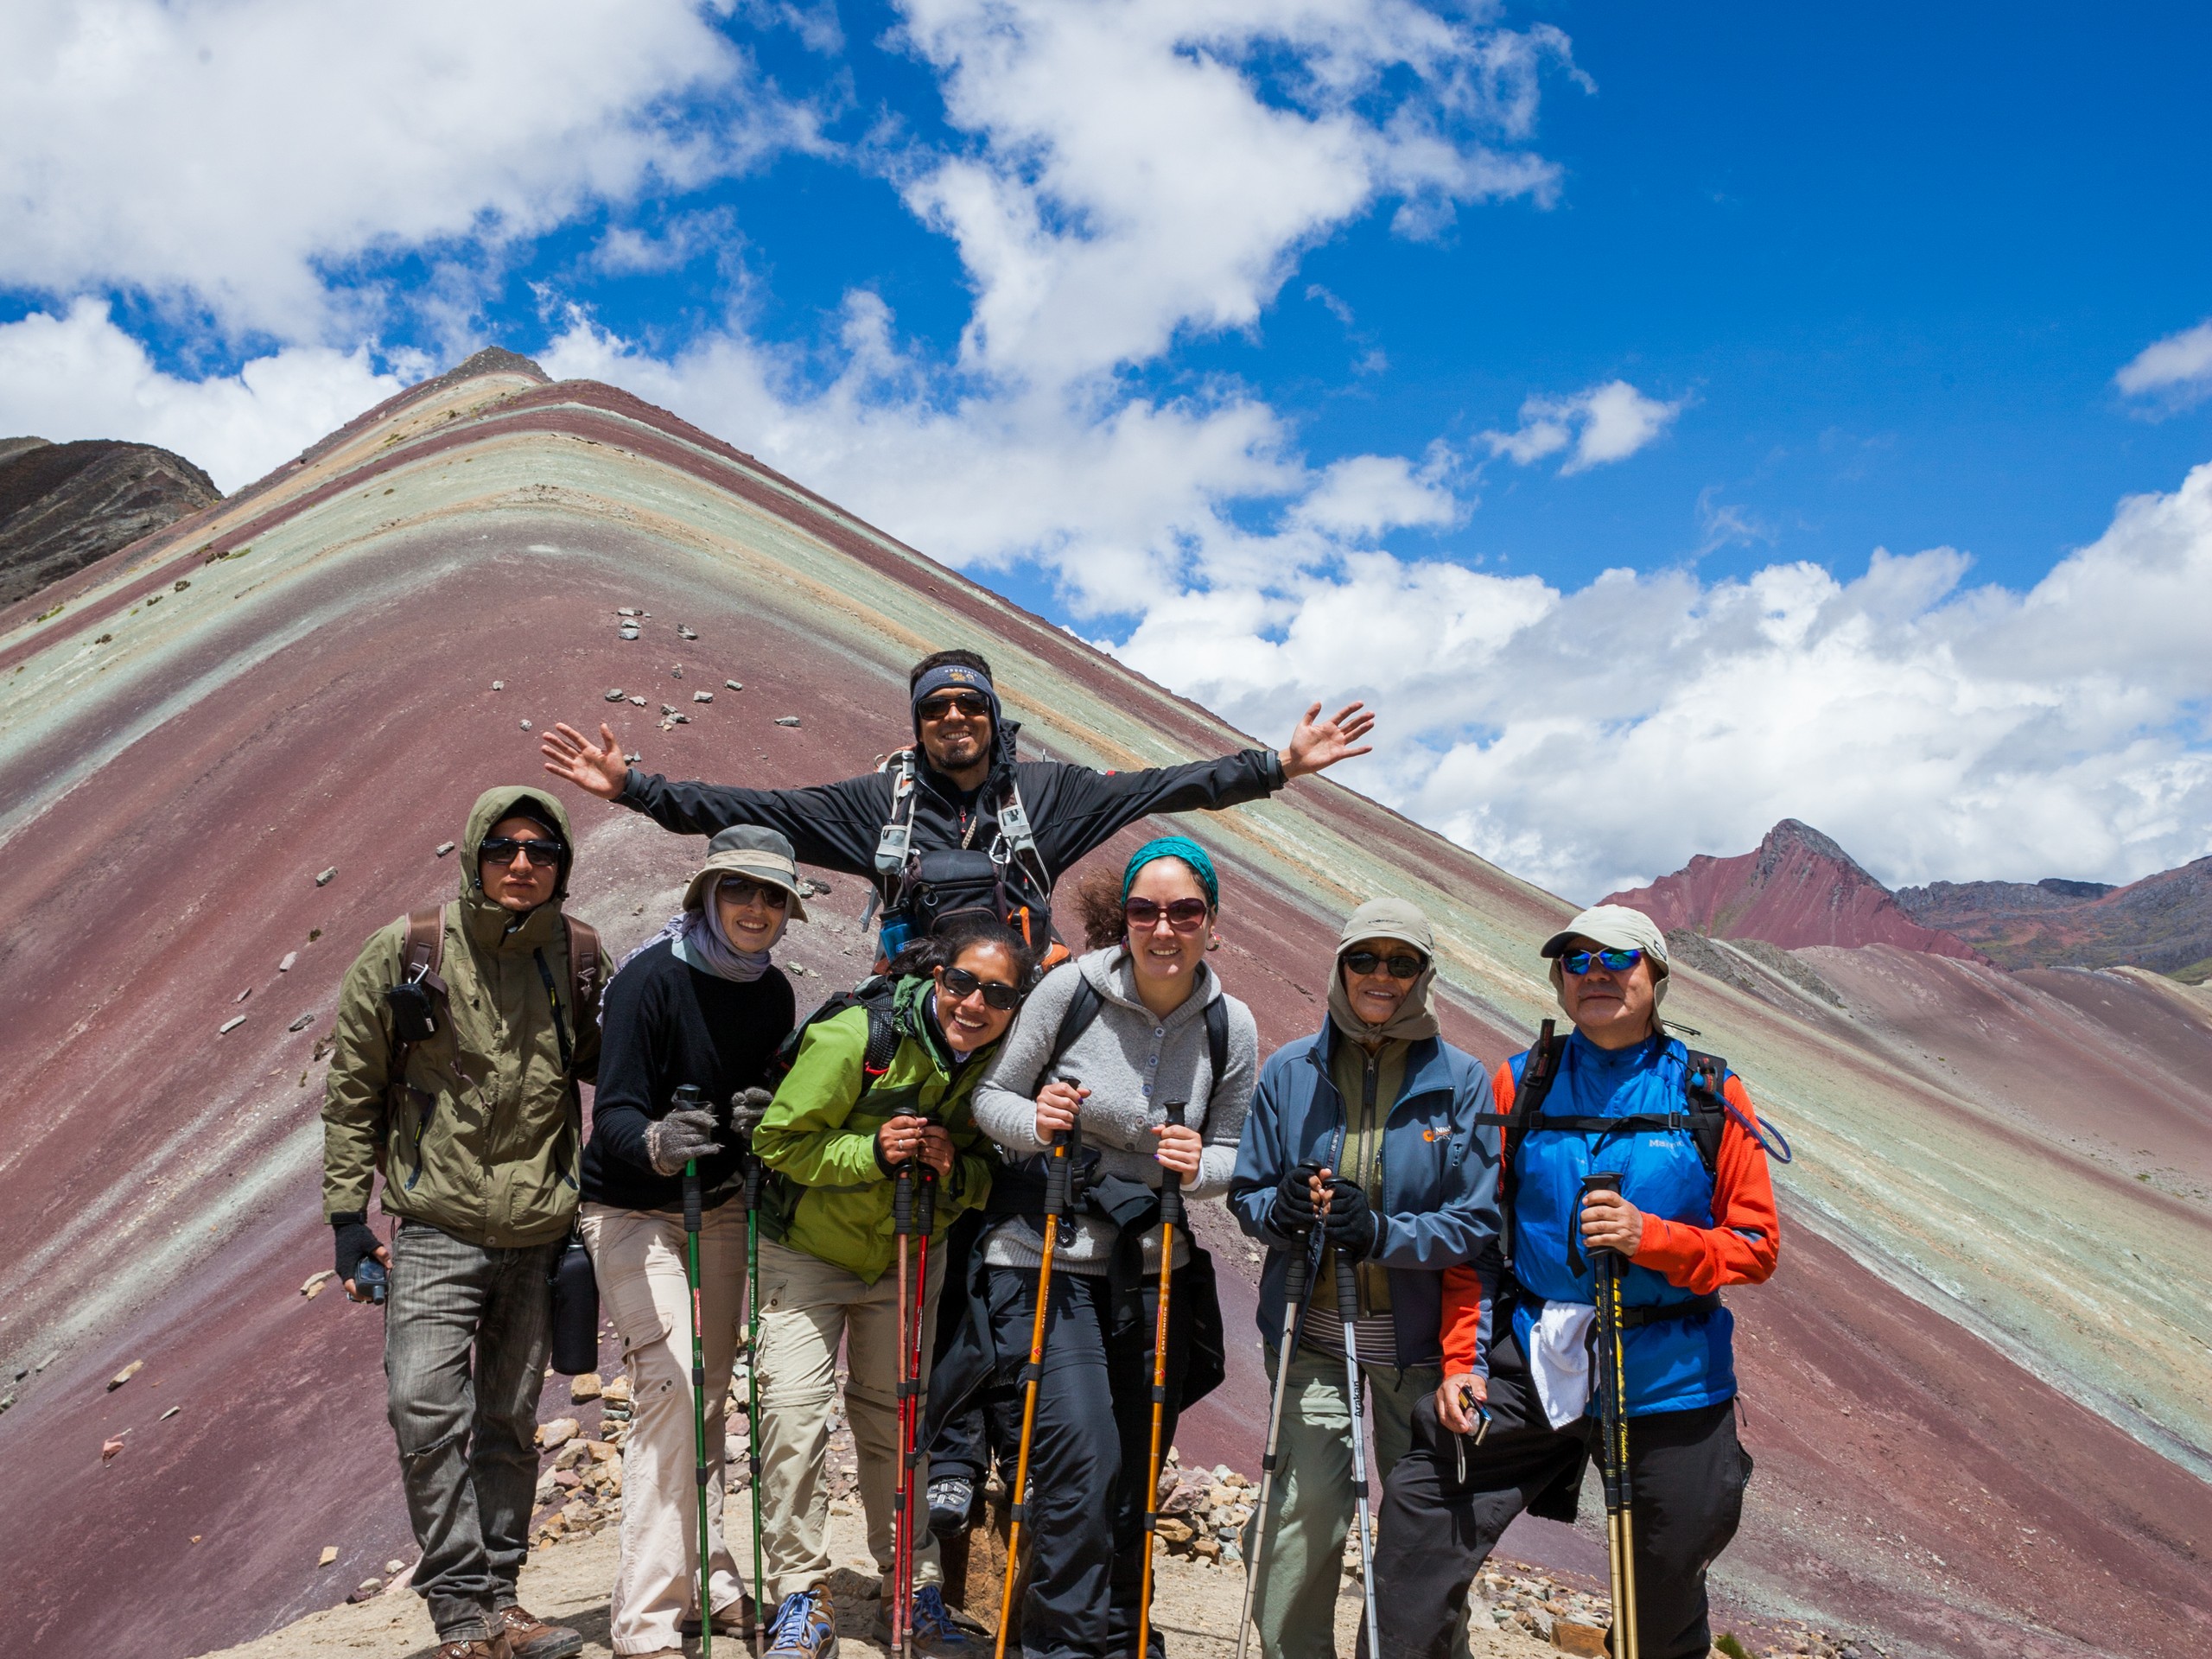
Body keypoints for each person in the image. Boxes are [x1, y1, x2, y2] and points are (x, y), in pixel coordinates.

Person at [1371, 906, 1783, 1659]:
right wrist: (1462, 1361)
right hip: (1533, 1355)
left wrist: (1649, 1237)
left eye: (1616, 961)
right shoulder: (1521, 1083)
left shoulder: (1709, 1094)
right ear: (1558, 981)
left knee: (1663, 1576)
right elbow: (1475, 1238)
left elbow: (1755, 1245)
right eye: (1576, 962)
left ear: (1657, 976)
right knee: (1423, 1508)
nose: (1595, 976)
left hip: (1669, 1375)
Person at [539, 648, 1376, 963]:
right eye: (934, 709)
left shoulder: (1051, 794)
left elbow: (1166, 784)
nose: (952, 719)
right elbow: (763, 809)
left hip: (1025, 1013)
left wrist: (1277, 765)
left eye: (967, 706)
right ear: (918, 723)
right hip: (913, 1010)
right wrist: (637, 790)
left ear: (989, 716)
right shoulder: (880, 804)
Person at [943, 837, 1259, 1659]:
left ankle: (1118, 1636)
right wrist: (1040, 1121)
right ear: (1124, 919)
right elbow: (992, 1099)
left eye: (1184, 911)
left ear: (1210, 922)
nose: (1164, 928)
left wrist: (1198, 1168)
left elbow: (1231, 1152)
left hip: (1153, 1271)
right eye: (1146, 911)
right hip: (1044, 1255)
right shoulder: (1066, 993)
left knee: (1129, 1475)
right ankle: (1059, 1647)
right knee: (1081, 1462)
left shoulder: (1231, 1025)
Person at [322, 788, 603, 1659]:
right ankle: (457, 1613)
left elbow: (616, 1063)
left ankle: (502, 1606)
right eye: (504, 848)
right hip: (436, 1226)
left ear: (561, 862)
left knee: (510, 1423)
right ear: (475, 852)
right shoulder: (411, 948)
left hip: (538, 1232)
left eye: (542, 849)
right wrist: (345, 1215)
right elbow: (353, 1089)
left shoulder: (579, 953)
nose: (522, 864)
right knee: (420, 1407)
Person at [749, 917, 1035, 1659]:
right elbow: (778, 1141)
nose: (973, 1004)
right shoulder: (857, 1038)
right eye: (962, 982)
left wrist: (949, 1165)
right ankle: (799, 1600)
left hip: (910, 1255)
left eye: (998, 994)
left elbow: (982, 1179)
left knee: (899, 1425)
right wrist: (873, 1151)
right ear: (938, 976)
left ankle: (911, 1595)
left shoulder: (997, 1065)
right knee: (793, 1417)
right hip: (805, 1251)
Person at [1224, 899, 1498, 1659]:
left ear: (1424, 976)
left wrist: (1379, 1233)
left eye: (1401, 962)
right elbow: (1248, 1194)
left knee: (1422, 1539)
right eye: (1365, 959)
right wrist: (1278, 1209)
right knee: (1299, 1518)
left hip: (1418, 1355)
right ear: (1340, 966)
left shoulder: (1461, 1083)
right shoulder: (1290, 1070)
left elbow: (1476, 1223)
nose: (1382, 977)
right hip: (1313, 1338)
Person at [578, 827, 808, 1659]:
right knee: (671, 1389)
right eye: (740, 890)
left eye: (772, 896)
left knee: (708, 1396)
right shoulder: (649, 980)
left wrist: (758, 1120)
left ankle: (709, 1582)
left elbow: (766, 1106)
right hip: (634, 1211)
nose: (756, 908)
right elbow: (612, 1117)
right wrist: (656, 1141)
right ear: (706, 895)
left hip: (716, 1208)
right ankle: (645, 1623)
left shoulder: (772, 993)